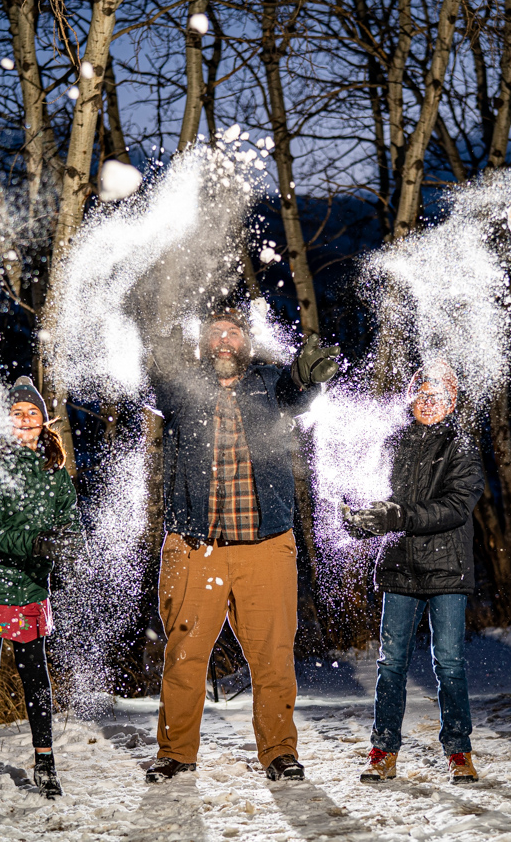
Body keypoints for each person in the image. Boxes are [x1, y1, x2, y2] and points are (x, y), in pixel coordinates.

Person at [144, 307, 340, 783]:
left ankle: (279, 752)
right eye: (215, 333)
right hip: (194, 548)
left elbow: (297, 392)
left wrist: (308, 380)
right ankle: (175, 753)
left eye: (233, 332)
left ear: (247, 343)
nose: (224, 340)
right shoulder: (184, 388)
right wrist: (159, 357)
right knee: (185, 655)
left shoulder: (270, 383)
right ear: (204, 344)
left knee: (273, 655)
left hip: (265, 546)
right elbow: (157, 386)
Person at [0, 376, 85, 802]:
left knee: (35, 677)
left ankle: (45, 765)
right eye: (16, 414)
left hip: (27, 589)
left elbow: (73, 526)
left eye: (32, 413)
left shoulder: (56, 475)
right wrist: (36, 543)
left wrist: (69, 546)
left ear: (45, 422)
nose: (24, 419)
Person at [344, 360, 485, 785]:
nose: (430, 402)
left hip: (446, 571)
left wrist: (398, 514)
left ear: (453, 401)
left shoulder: (461, 445)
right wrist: (360, 518)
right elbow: (373, 496)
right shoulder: (391, 442)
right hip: (399, 568)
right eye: (422, 392)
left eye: (440, 395)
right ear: (411, 396)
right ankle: (383, 749)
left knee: (450, 664)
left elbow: (455, 507)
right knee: (391, 665)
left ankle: (459, 752)